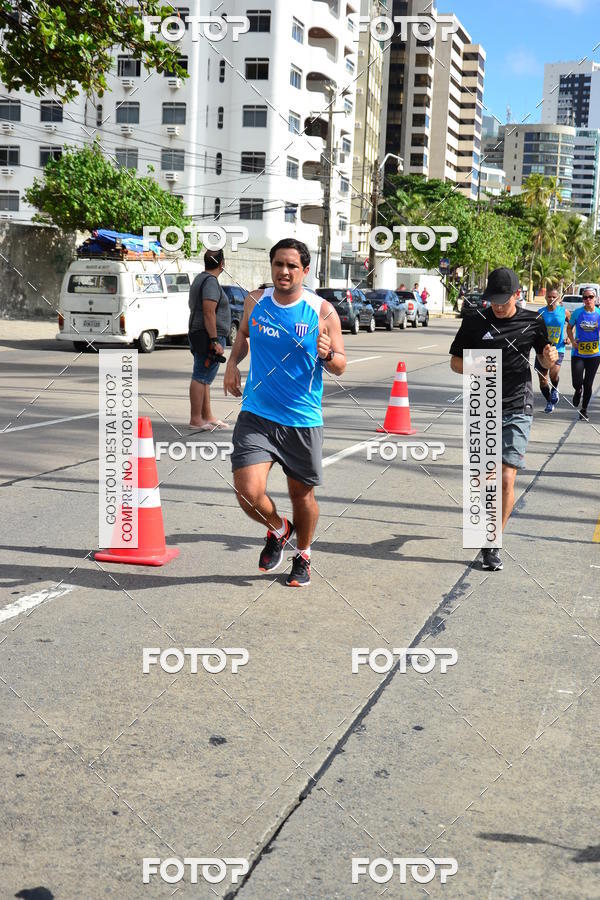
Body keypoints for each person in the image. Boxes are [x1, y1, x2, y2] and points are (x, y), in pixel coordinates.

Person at [224, 238, 346, 587]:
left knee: (301, 496)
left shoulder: (322, 311)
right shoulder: (255, 301)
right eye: (279, 264)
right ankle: (279, 529)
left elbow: (340, 365)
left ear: (305, 270)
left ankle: (303, 554)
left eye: (292, 266)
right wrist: (232, 364)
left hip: (301, 420)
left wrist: (327, 355)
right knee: (247, 491)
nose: (284, 271)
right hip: (257, 414)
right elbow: (243, 334)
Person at [450, 267, 558, 572]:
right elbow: (455, 362)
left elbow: (544, 360)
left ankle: (492, 541)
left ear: (516, 295)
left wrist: (549, 360)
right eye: (493, 300)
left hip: (517, 405)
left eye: (503, 300)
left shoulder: (533, 321)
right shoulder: (475, 321)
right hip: (482, 404)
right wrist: (481, 366)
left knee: (507, 478)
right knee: (486, 480)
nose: (497, 306)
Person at [188, 248, 231, 430]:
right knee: (200, 376)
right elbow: (208, 312)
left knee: (204, 377)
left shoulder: (201, 278)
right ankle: (195, 419)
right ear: (222, 263)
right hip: (208, 335)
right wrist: (214, 340)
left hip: (200, 333)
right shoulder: (211, 282)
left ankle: (207, 416)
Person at [535, 285, 570, 413]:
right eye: (549, 297)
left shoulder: (564, 312)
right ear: (545, 298)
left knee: (553, 374)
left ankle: (555, 389)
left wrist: (569, 337)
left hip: (558, 348)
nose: (551, 299)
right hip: (542, 349)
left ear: (558, 298)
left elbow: (572, 325)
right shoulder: (540, 312)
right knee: (543, 381)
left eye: (554, 297)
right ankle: (549, 401)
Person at [567, 287, 600, 422]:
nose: (588, 300)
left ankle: (584, 409)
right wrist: (572, 340)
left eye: (590, 297)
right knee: (577, 382)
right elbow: (569, 327)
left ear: (596, 298)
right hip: (578, 353)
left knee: (588, 383)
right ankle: (577, 390)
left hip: (594, 354)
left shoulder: (599, 313)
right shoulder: (578, 313)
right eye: (585, 297)